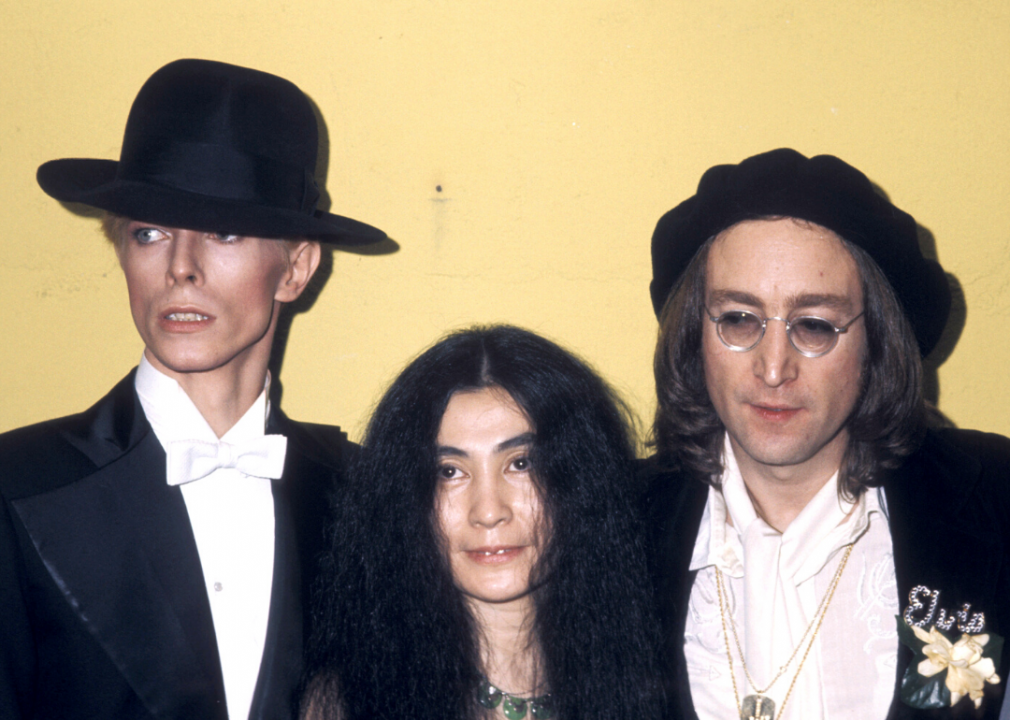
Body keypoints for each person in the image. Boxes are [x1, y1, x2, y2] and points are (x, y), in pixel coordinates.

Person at [0, 59, 386, 720]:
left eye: (224, 232)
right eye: (149, 233)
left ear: (296, 268)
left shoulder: (361, 498)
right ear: (122, 253)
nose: (180, 268)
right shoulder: (18, 488)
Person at [641, 148, 1010, 720]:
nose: (772, 368)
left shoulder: (995, 501)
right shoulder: (612, 523)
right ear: (695, 333)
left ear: (877, 341)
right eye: (739, 318)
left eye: (814, 325)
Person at [304, 325, 664, 720]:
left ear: (579, 479)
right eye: (449, 472)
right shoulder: (347, 704)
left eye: (521, 464)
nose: (489, 512)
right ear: (405, 499)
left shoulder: (668, 680)